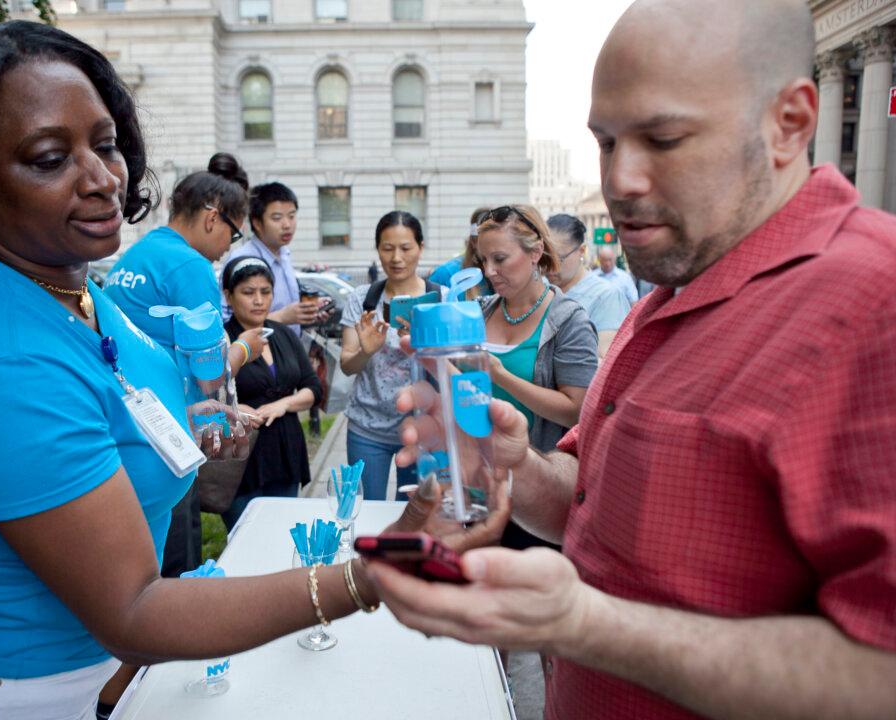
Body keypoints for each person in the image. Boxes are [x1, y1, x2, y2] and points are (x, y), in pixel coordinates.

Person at [0, 22, 452, 720]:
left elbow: (108, 396)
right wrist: (371, 577)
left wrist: (187, 423)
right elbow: (133, 611)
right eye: (50, 157)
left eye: (106, 144)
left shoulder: (66, 282)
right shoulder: (2, 359)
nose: (102, 179)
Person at [368, 2, 896, 719]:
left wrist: (583, 624)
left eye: (664, 138)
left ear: (791, 123)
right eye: (606, 142)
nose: (620, 181)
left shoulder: (875, 304)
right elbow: (588, 501)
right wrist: (512, 464)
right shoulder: (670, 292)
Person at [102, 153, 266, 585]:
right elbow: (210, 371)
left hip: (122, 421)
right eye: (234, 233)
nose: (230, 246)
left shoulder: (140, 254)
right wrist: (246, 349)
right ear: (213, 218)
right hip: (168, 432)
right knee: (176, 561)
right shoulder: (191, 266)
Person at [475, 205, 597, 552]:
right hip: (481, 485)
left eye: (500, 258)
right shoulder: (482, 311)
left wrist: (502, 375)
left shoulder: (568, 320)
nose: (490, 271)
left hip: (537, 490)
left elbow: (577, 411)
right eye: (483, 260)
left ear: (535, 253)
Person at [219, 257, 322, 529]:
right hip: (242, 459)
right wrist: (238, 409)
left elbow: (313, 387)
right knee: (245, 536)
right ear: (228, 296)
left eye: (265, 292)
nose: (258, 300)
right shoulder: (223, 340)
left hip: (285, 451)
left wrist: (284, 404)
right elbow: (209, 393)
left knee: (284, 532)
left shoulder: (283, 335)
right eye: (248, 292)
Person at [339, 211, 435, 501]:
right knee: (367, 508)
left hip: (421, 428)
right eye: (387, 248)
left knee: (413, 512)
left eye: (406, 248)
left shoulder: (439, 299)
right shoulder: (362, 299)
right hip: (366, 428)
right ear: (378, 249)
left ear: (420, 247)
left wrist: (425, 344)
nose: (396, 258)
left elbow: (454, 365)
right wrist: (367, 351)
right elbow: (346, 365)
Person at [222, 181, 326, 336]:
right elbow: (226, 322)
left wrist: (308, 313)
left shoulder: (284, 253)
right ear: (257, 223)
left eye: (291, 216)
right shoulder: (241, 260)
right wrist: (283, 317)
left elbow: (291, 314)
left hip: (289, 350)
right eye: (277, 218)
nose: (287, 225)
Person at [545, 213, 630, 359]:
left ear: (581, 251)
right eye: (544, 258)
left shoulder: (606, 296)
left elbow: (605, 361)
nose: (549, 267)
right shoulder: (542, 289)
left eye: (559, 259)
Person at [427, 206, 493, 296]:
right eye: (486, 242)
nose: (490, 272)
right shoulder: (446, 273)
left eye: (500, 258)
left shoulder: (507, 274)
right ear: (473, 242)